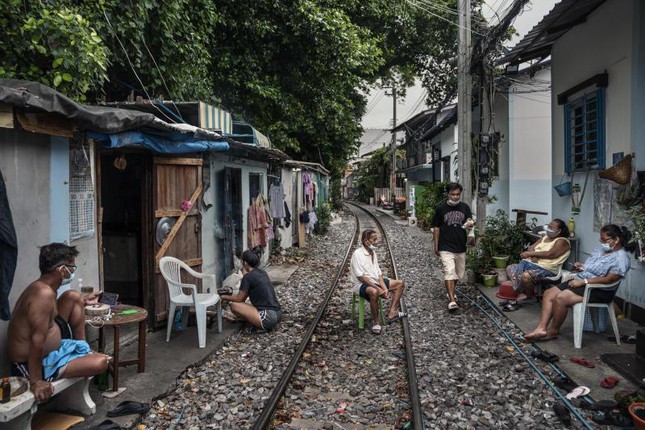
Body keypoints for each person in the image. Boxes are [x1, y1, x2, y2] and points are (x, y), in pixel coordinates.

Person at [7, 243, 110, 402]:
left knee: (73, 297)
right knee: (101, 363)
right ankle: (81, 358)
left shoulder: (45, 287)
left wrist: (84, 300)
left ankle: (83, 351)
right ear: (62, 270)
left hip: (51, 349)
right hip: (30, 364)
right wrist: (36, 381)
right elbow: (37, 341)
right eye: (72, 268)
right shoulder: (43, 294)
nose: (72, 272)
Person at [524, 224, 636, 341]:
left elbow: (610, 279)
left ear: (616, 239)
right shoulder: (600, 250)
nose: (601, 241)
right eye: (600, 238)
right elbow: (592, 267)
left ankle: (553, 331)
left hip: (598, 289)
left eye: (604, 239)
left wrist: (584, 281)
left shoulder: (621, 258)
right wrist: (582, 267)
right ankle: (541, 328)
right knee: (549, 293)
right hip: (581, 281)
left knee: (561, 298)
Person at [350, 229, 406, 335]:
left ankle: (392, 312)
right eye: (374, 239)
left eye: (377, 239)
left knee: (400, 284)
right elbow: (361, 277)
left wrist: (384, 287)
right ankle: (376, 322)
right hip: (360, 284)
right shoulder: (357, 254)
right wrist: (378, 288)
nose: (377, 241)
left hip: (374, 280)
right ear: (366, 241)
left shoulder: (373, 253)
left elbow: (379, 274)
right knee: (374, 292)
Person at [506, 219, 571, 307]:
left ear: (559, 231)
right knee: (510, 268)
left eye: (551, 227)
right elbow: (531, 247)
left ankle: (529, 296)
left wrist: (530, 254)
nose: (548, 229)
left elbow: (550, 254)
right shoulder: (544, 237)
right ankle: (522, 293)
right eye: (548, 226)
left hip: (547, 269)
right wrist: (534, 256)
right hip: (532, 264)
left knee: (526, 276)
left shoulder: (562, 241)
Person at [431, 182, 474, 311]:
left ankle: (451, 291)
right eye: (452, 194)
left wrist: (469, 224)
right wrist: (436, 245)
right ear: (448, 194)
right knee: (449, 271)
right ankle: (452, 300)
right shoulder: (441, 208)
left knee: (458, 274)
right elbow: (436, 227)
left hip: (460, 245)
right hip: (445, 245)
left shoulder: (465, 207)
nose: (455, 197)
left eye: (457, 195)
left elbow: (469, 221)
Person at [220, 249, 282, 333]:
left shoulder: (248, 277)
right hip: (278, 313)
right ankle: (256, 323)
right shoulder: (263, 272)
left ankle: (259, 326)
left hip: (268, 317)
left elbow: (239, 299)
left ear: (245, 263)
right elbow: (244, 298)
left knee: (234, 305)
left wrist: (223, 297)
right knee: (245, 305)